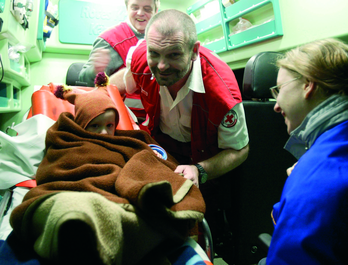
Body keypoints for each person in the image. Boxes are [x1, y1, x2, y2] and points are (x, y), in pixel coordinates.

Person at [9, 73, 206, 265]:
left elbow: (150, 163)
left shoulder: (128, 142)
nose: (104, 132)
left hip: (115, 201)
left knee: (142, 218)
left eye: (109, 125)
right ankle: (78, 228)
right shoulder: (65, 140)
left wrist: (146, 170)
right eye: (95, 126)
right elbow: (50, 174)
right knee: (65, 207)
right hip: (72, 194)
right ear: (82, 123)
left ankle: (93, 235)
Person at [123, 9, 249, 237]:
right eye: (155, 54)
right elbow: (127, 85)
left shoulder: (222, 94)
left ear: (194, 51)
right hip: (161, 147)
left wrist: (200, 170)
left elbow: (240, 150)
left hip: (204, 158)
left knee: (195, 224)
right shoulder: (140, 58)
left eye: (173, 55)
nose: (161, 66)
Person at [259, 38, 348, 265]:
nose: (275, 105)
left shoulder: (315, 176)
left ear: (308, 85)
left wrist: (304, 179)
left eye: (279, 89)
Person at [79, 0, 160, 121]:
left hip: (157, 119)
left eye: (147, 9)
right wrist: (94, 71)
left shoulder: (163, 39)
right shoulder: (110, 39)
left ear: (156, 11)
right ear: (127, 8)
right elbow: (85, 81)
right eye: (135, 7)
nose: (140, 13)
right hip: (121, 120)